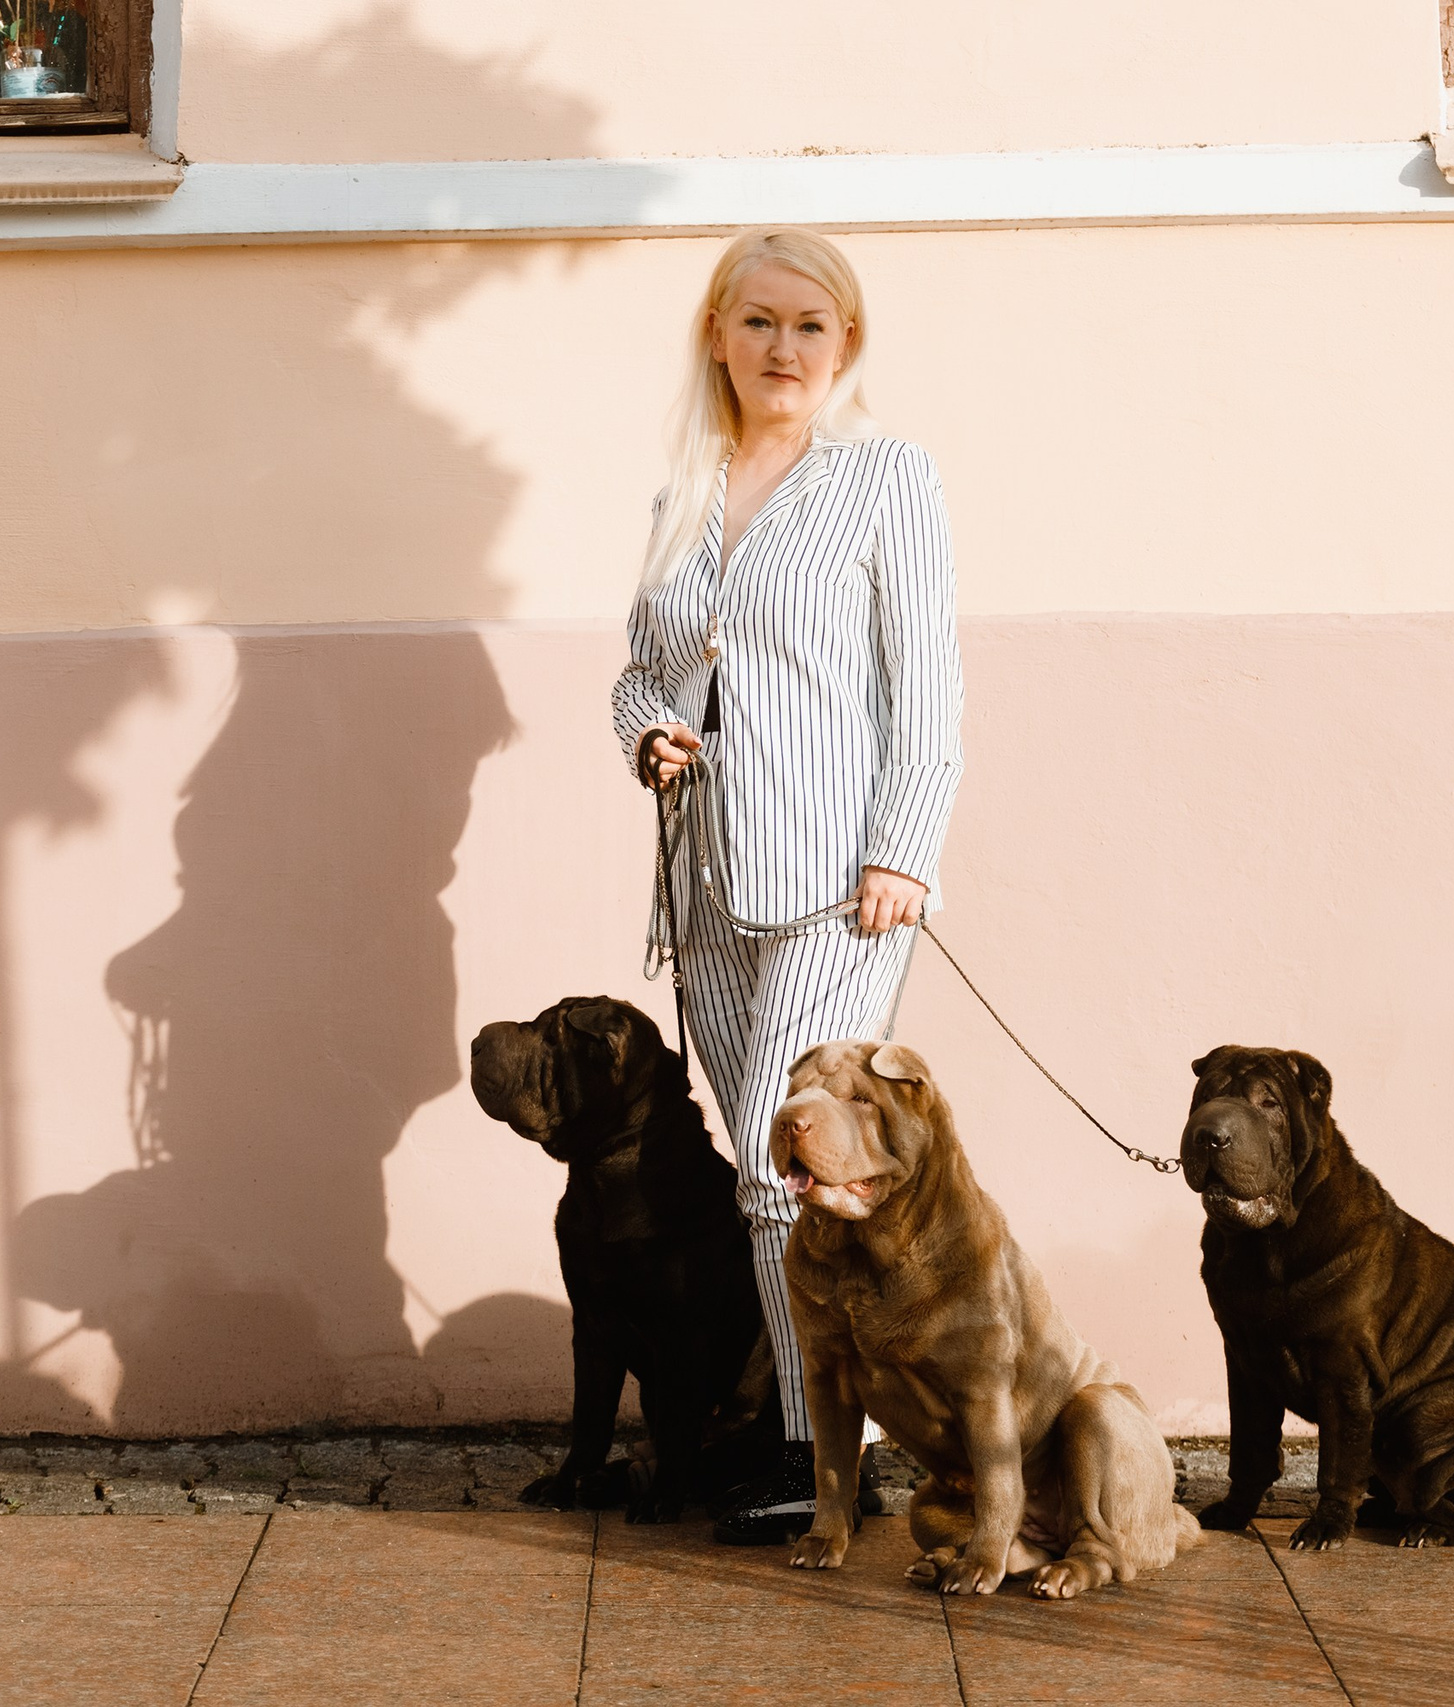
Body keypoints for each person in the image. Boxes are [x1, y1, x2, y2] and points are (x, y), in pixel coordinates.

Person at [611, 227, 964, 1545]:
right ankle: (802, 1426)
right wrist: (648, 735)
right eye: (759, 323)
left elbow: (929, 684)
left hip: (837, 887)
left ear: (847, 346)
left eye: (811, 326)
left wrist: (904, 847)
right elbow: (640, 675)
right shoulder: (682, 494)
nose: (784, 350)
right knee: (790, 1174)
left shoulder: (885, 481)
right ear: (718, 336)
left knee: (782, 1155)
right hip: (708, 892)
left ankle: (823, 1453)